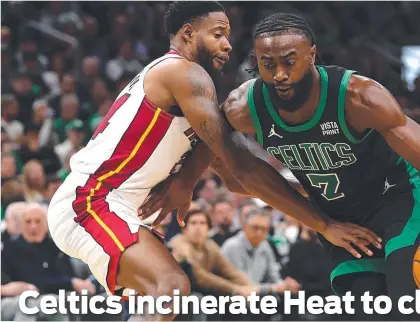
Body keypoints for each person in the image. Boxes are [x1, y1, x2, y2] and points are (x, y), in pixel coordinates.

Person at [140, 11, 420, 320]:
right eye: (267, 65)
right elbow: (225, 156)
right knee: (362, 308)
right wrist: (186, 181)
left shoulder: (360, 97)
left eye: (289, 62)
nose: (278, 74)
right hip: (338, 216)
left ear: (312, 54)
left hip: (399, 202)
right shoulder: (243, 108)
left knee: (403, 300)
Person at [46, 3, 381, 321]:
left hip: (114, 208)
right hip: (91, 202)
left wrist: (320, 197)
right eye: (218, 34)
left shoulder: (192, 94)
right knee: (172, 288)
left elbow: (234, 180)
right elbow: (244, 168)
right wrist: (323, 222)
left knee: (166, 296)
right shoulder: (183, 73)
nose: (228, 45)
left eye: (228, 35)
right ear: (188, 34)